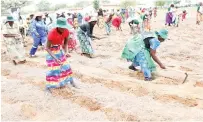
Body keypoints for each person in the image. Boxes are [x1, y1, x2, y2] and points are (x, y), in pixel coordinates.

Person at [45, 17, 76, 90]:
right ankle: (48, 87)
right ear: (57, 26)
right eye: (61, 27)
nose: (63, 29)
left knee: (67, 67)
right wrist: (55, 59)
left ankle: (72, 82)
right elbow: (47, 48)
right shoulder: (52, 33)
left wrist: (66, 52)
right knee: (53, 70)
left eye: (64, 27)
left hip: (60, 50)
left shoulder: (66, 31)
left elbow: (65, 44)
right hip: (51, 52)